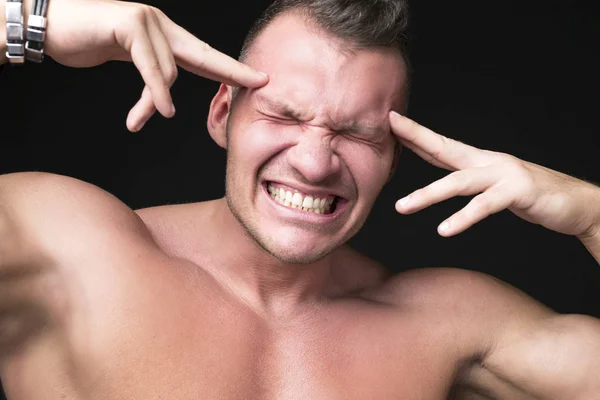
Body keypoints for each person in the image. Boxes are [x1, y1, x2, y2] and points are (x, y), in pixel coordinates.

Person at [1, 0, 599, 399]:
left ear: (392, 156)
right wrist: (23, 25)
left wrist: (590, 213)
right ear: (221, 115)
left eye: (357, 133)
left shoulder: (444, 324)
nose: (315, 162)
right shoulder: (68, 248)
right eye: (283, 115)